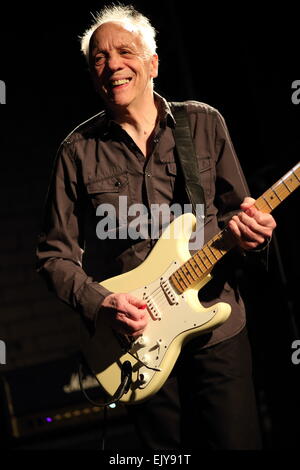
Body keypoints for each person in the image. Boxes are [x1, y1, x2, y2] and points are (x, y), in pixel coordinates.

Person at [36, 4, 276, 450]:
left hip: (216, 331)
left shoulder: (204, 123)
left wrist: (253, 235)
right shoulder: (76, 152)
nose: (111, 65)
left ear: (152, 63)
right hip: (136, 344)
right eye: (99, 59)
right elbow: (53, 256)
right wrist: (103, 302)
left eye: (124, 51)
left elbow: (237, 216)